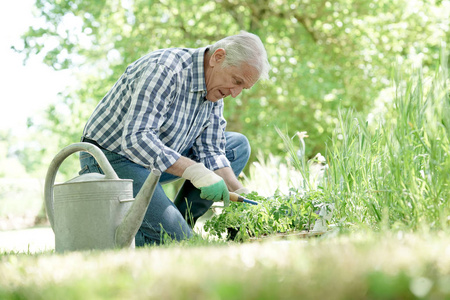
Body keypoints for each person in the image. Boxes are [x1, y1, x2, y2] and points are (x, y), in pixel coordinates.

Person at [79, 31, 270, 245]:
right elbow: (136, 139)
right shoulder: (166, 69)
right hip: (112, 160)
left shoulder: (216, 92)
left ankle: (181, 224)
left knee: (237, 145)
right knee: (177, 240)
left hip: (154, 163)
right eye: (236, 81)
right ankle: (150, 238)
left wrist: (239, 191)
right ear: (218, 57)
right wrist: (195, 171)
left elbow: (212, 151)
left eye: (242, 88)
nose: (235, 93)